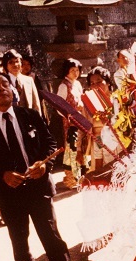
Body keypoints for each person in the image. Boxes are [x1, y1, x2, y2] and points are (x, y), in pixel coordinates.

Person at [0, 70, 74, 261]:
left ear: (12, 89)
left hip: (39, 185)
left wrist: (45, 166)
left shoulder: (30, 115)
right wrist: (2, 175)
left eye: (5, 83)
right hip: (8, 191)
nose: (1, 88)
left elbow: (50, 144)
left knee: (50, 232)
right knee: (18, 235)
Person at [83, 66, 122, 174]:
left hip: (119, 144)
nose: (95, 86)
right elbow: (85, 127)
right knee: (101, 175)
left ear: (108, 82)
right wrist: (79, 150)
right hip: (98, 145)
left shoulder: (117, 100)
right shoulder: (88, 103)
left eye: (99, 81)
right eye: (92, 83)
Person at [57, 58, 86, 187]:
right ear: (66, 71)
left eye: (77, 70)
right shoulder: (63, 86)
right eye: (72, 70)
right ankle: (72, 178)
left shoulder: (78, 84)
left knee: (82, 147)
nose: (75, 73)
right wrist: (69, 115)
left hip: (81, 120)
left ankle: (83, 175)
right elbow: (58, 106)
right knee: (72, 148)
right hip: (71, 123)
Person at [1, 49, 42, 115]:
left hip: (27, 121)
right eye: (11, 62)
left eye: (17, 61)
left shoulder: (29, 80)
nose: (15, 64)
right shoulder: (2, 82)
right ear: (6, 65)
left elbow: (36, 105)